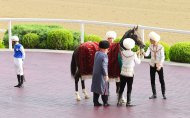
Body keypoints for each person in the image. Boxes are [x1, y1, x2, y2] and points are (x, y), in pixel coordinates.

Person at [117, 38, 141, 106]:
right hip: (130, 73)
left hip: (123, 72)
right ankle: (128, 102)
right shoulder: (133, 54)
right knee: (129, 87)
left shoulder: (122, 52)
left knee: (121, 87)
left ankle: (119, 101)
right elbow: (138, 62)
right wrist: (139, 56)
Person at [144, 31, 166, 99]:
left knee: (161, 80)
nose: (150, 40)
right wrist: (143, 52)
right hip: (152, 65)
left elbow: (163, 57)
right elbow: (147, 54)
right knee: (152, 80)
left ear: (154, 40)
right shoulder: (150, 46)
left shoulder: (161, 47)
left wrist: (160, 64)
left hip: (159, 65)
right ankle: (154, 94)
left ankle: (163, 94)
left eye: (150, 39)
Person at [91, 40, 110, 107]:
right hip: (102, 75)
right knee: (105, 88)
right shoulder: (105, 56)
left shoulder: (97, 53)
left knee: (96, 88)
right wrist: (106, 75)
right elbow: (104, 66)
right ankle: (105, 102)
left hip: (95, 73)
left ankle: (95, 102)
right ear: (105, 49)